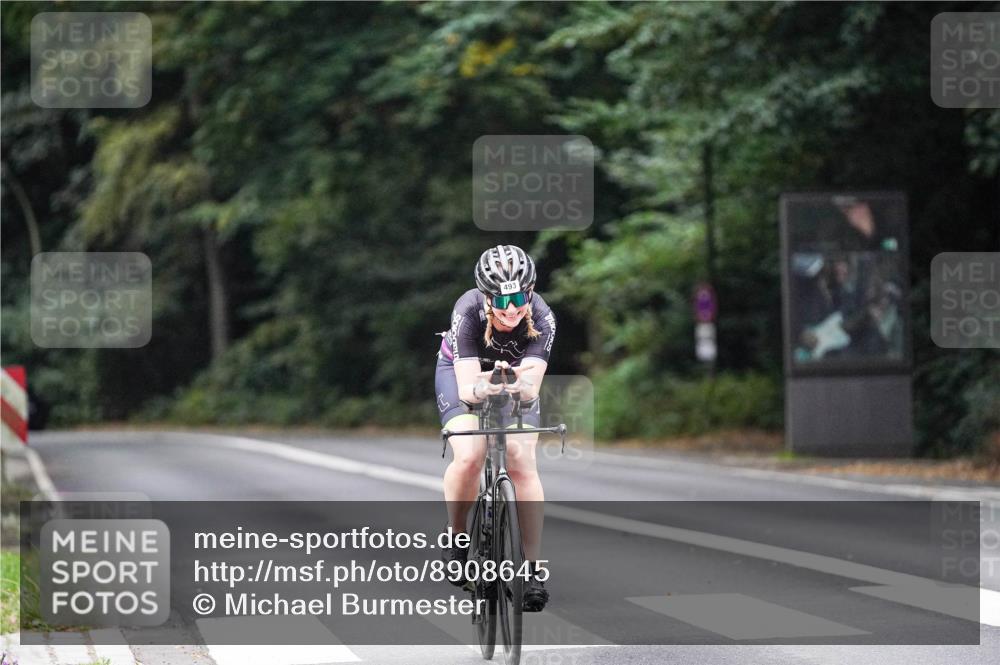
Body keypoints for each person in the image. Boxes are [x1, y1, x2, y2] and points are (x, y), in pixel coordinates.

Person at [435, 244, 556, 612]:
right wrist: (485, 385)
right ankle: (457, 538)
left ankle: (532, 568)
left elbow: (531, 387)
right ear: (484, 296)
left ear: (530, 292)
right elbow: (469, 387)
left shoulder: (543, 317)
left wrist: (510, 382)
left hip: (513, 382)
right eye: (499, 300)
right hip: (460, 375)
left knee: (521, 458)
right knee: (470, 454)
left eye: (518, 297)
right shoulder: (467, 310)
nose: (509, 309)